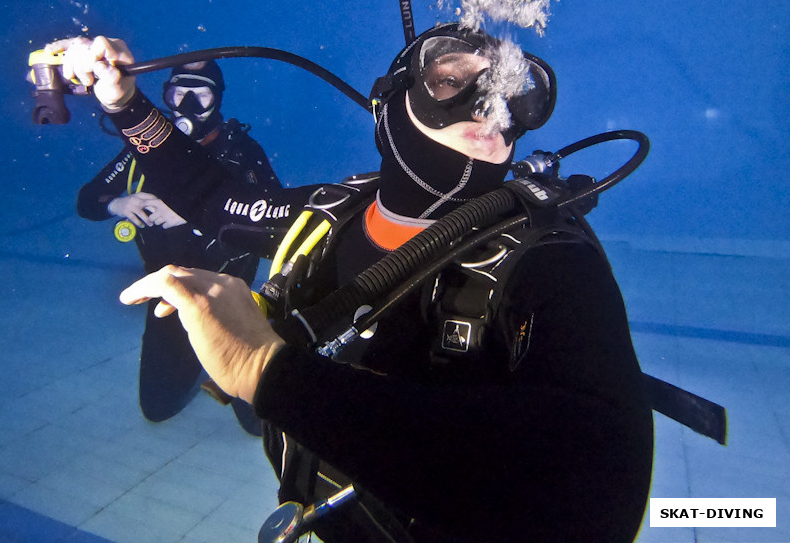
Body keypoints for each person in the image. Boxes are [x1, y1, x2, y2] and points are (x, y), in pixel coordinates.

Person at [51, 27, 654, 543]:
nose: (485, 104)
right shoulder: (330, 214)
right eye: (451, 80)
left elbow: (601, 501)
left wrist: (265, 370)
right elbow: (212, 197)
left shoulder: (548, 258)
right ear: (388, 103)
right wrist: (124, 102)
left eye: (509, 89)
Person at [77, 60, 283, 432]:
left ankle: (239, 360)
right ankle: (196, 359)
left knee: (259, 426)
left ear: (217, 100)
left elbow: (273, 217)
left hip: (231, 295)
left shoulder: (241, 150)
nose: (187, 106)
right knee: (157, 408)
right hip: (169, 298)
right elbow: (87, 199)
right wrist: (118, 203)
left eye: (200, 95)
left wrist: (195, 214)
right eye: (178, 94)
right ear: (165, 97)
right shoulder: (143, 146)